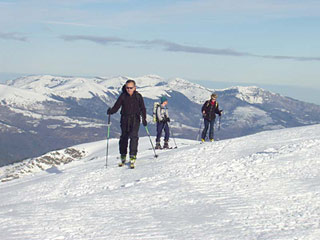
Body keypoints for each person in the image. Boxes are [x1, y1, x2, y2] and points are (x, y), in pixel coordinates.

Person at [107, 79, 147, 167]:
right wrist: (111, 111)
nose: (128, 89)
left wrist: (144, 118)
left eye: (130, 88)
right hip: (124, 119)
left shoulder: (138, 96)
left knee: (134, 136)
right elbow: (117, 106)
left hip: (135, 119)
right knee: (124, 137)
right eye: (127, 87)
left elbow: (143, 108)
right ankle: (123, 156)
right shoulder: (123, 96)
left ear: (134, 88)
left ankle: (132, 156)